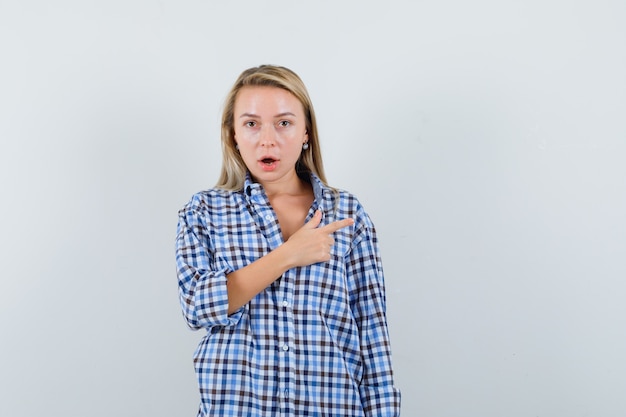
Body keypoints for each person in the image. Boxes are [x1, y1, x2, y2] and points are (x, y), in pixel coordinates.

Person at [175, 65, 401, 416]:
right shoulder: (204, 211)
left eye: (284, 123)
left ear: (306, 132)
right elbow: (197, 306)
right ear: (232, 134)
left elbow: (372, 337)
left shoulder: (346, 214)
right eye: (251, 123)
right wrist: (288, 255)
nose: (268, 139)